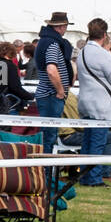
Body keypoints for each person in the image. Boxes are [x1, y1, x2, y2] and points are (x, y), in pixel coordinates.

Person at [76, 17, 111, 186]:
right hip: (100, 104)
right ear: (104, 34)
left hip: (85, 101)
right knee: (97, 142)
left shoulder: (82, 52)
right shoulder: (102, 54)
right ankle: (94, 179)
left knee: (87, 142)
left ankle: (84, 176)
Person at [34, 12, 76, 155]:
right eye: (65, 26)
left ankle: (46, 170)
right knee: (49, 136)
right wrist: (60, 90)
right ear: (61, 27)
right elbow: (51, 69)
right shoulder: (52, 44)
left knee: (49, 135)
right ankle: (45, 171)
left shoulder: (47, 41)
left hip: (49, 95)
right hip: (51, 95)